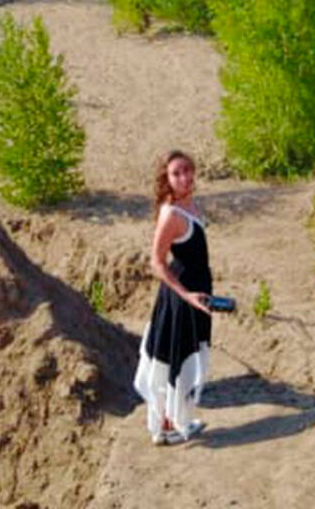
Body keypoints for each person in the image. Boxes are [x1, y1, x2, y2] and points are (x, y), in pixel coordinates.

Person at [133, 149, 213, 446]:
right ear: (166, 179)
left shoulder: (189, 205)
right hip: (181, 297)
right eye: (176, 173)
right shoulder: (172, 214)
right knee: (175, 359)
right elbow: (156, 262)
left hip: (196, 291)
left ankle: (174, 422)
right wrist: (187, 296)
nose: (184, 177)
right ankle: (167, 427)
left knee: (185, 356)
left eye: (187, 170)